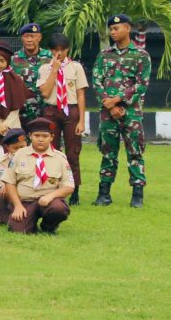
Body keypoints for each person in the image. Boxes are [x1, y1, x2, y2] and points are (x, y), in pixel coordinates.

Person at [90, 13, 151, 208]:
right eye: (111, 29)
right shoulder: (104, 55)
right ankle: (104, 194)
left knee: (135, 152)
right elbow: (96, 81)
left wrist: (118, 101)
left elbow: (141, 84)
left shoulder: (141, 55)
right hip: (108, 113)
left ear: (128, 28)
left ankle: (137, 195)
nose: (113, 32)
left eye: (117, 28)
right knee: (108, 152)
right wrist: (109, 104)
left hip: (131, 113)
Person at [37, 32, 88, 204]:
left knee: (73, 152)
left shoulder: (75, 67)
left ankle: (74, 191)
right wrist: (54, 70)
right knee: (52, 151)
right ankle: (52, 188)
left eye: (63, 49)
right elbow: (45, 92)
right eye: (56, 50)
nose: (59, 53)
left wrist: (81, 120)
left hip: (71, 110)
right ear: (50, 50)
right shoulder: (45, 68)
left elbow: (81, 94)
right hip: (51, 111)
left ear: (68, 49)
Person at [2, 117, 74, 234]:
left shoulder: (60, 158)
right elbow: (9, 182)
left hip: (48, 201)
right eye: (37, 136)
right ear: (30, 136)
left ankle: (48, 226)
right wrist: (17, 205)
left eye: (45, 136)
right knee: (18, 230)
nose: (40, 139)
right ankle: (29, 222)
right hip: (25, 201)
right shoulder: (19, 155)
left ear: (52, 137)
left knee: (58, 209)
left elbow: (69, 186)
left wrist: (51, 196)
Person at [0, 43, 30, 135]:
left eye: (2, 61)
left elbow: (17, 105)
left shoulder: (15, 79)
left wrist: (6, 124)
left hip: (12, 126)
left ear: (8, 61)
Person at [10, 23, 52, 124]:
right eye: (26, 36)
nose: (29, 40)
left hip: (46, 108)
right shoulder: (14, 59)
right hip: (23, 111)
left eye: (32, 36)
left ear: (39, 37)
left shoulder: (50, 57)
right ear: (22, 38)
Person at [0, 128, 27, 224]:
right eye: (15, 148)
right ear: (7, 147)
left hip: (24, 191)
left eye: (22, 147)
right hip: (5, 193)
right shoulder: (2, 161)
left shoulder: (33, 158)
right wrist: (5, 185)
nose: (19, 151)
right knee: (1, 220)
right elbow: (2, 181)